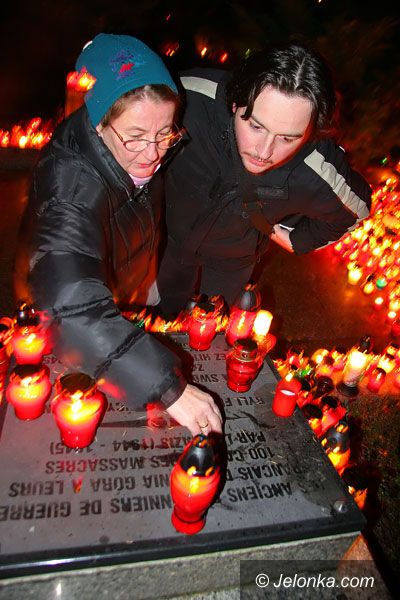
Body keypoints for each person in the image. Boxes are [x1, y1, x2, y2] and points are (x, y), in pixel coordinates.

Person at [13, 33, 222, 436]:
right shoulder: (68, 187)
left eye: (165, 133)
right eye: (136, 136)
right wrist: (169, 389)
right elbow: (69, 305)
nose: (153, 153)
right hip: (64, 323)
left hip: (121, 289)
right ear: (98, 122)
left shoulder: (139, 146)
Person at [157, 41, 372, 315]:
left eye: (287, 138)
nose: (264, 151)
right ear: (235, 103)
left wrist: (296, 240)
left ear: (310, 133)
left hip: (232, 261)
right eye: (256, 126)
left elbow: (355, 210)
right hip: (172, 237)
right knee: (164, 313)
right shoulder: (189, 98)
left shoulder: (315, 167)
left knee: (212, 325)